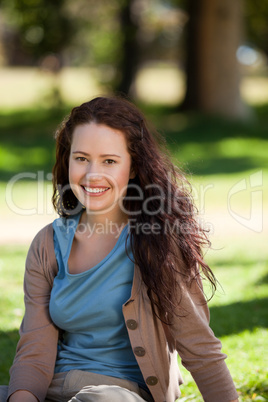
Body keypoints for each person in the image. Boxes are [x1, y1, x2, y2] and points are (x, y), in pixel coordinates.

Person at [0, 96, 239, 402]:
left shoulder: (156, 242)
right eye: (81, 158)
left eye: (109, 161)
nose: (92, 175)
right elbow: (35, 348)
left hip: (118, 394)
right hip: (52, 389)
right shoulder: (47, 244)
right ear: (67, 159)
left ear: (134, 167)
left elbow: (199, 346)